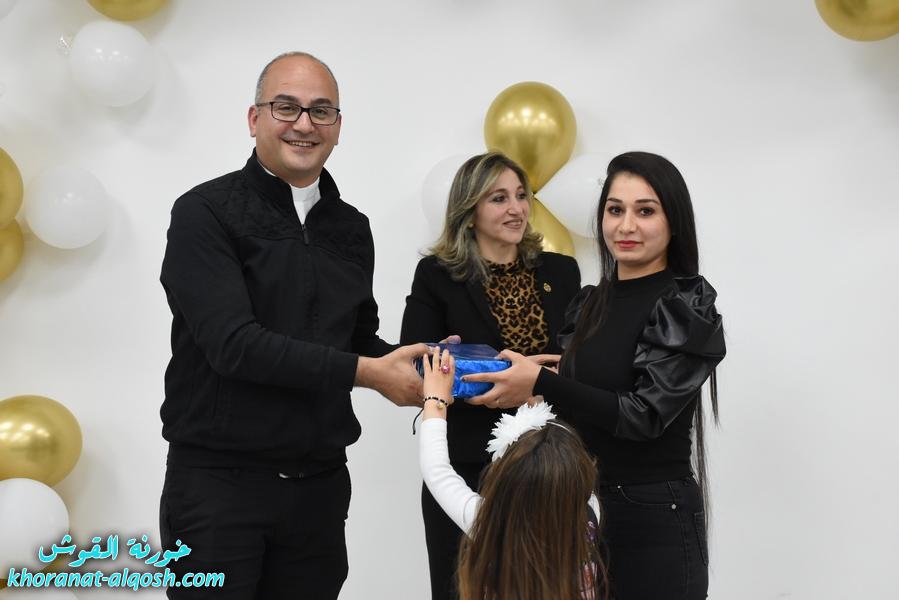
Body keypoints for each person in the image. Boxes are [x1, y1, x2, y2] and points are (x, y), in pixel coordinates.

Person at [158, 51, 427, 599]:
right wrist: (369, 372)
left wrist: (429, 364)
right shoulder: (204, 212)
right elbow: (234, 346)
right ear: (254, 118)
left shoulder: (352, 228)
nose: (304, 123)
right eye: (286, 107)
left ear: (337, 127)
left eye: (321, 111)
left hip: (319, 491)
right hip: (218, 489)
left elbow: (355, 340)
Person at [464, 151, 726, 599]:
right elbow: (587, 399)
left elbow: (643, 415)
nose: (626, 226)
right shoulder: (589, 303)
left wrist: (543, 382)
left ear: (674, 221)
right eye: (615, 210)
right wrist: (534, 387)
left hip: (654, 516)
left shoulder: (685, 303)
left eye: (646, 211)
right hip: (580, 509)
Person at [400, 152, 580, 599]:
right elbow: (414, 365)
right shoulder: (437, 275)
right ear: (470, 209)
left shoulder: (562, 271)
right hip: (464, 468)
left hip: (547, 468)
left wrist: (543, 383)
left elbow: (580, 365)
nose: (516, 209)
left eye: (521, 195)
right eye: (499, 198)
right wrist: (468, 368)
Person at [418, 348, 609, 600]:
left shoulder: (490, 522)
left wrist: (435, 398)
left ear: (502, 482)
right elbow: (561, 457)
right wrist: (542, 387)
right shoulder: (590, 511)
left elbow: (437, 471)